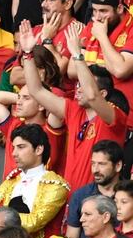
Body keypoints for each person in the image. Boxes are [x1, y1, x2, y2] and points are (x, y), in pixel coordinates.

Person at [20, 26, 129, 189]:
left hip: (99, 199)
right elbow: (36, 90)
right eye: (77, 84)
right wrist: (28, 54)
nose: (78, 89)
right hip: (71, 197)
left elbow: (92, 96)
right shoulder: (73, 109)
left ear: (103, 93)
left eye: (83, 84)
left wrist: (78, 55)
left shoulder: (114, 115)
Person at [0, 124, 70, 238]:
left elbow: (34, 223)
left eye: (21, 147)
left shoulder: (55, 185)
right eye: (13, 148)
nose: (14, 153)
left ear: (38, 149)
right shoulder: (10, 181)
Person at [66, 141, 125, 238]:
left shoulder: (129, 196)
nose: (95, 170)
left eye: (101, 164)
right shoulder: (80, 196)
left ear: (118, 166)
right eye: (93, 164)